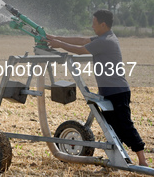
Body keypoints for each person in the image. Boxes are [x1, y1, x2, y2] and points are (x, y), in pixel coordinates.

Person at [46, 9, 148, 167]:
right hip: (110, 92)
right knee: (112, 130)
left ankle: (143, 161)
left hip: (117, 91)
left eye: (94, 24)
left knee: (125, 125)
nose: (92, 27)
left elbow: (81, 50)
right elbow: (81, 40)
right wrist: (55, 38)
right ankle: (116, 163)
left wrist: (59, 44)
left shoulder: (106, 41)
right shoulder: (104, 37)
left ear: (103, 24)